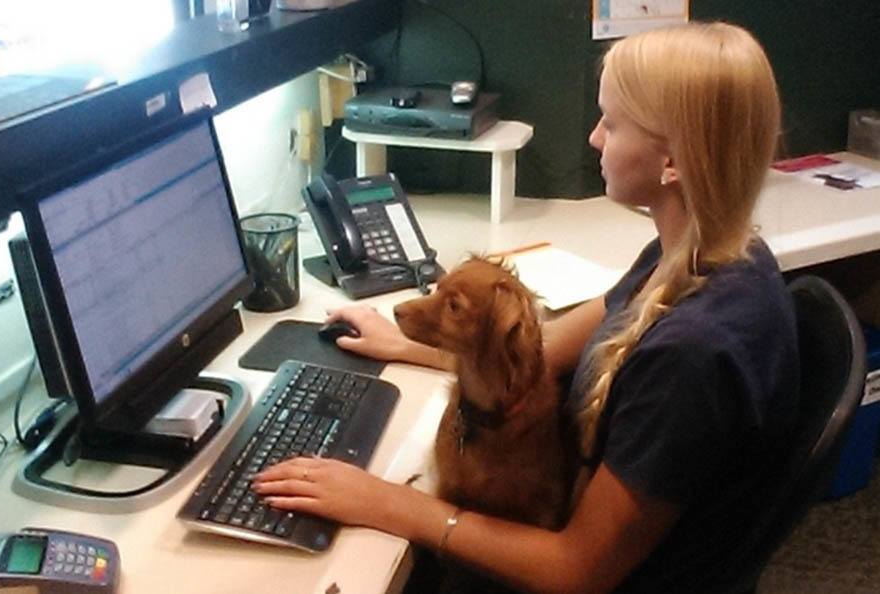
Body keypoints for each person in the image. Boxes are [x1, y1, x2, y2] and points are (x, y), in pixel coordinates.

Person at [255, 22, 798, 594]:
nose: (593, 138)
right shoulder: (703, 253)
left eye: (612, 123)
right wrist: (406, 344)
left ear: (673, 162)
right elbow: (542, 352)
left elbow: (574, 570)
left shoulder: (692, 355)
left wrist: (387, 502)